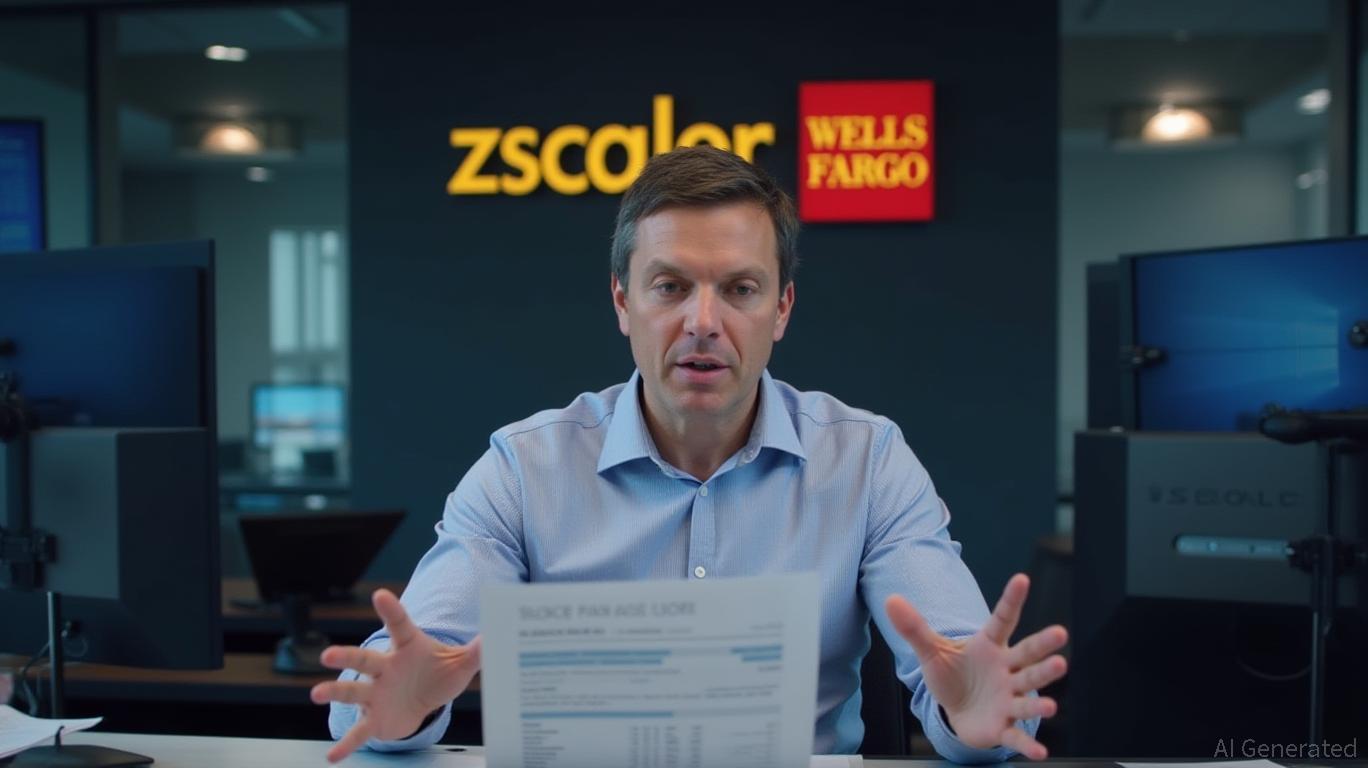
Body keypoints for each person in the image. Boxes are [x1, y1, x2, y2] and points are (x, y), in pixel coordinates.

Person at [313, 146, 1068, 764]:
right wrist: (400, 710)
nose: (703, 322)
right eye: (670, 286)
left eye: (739, 289)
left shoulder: (868, 462)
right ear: (622, 302)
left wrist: (975, 717)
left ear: (781, 309)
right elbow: (395, 681)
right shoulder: (522, 470)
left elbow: (973, 688)